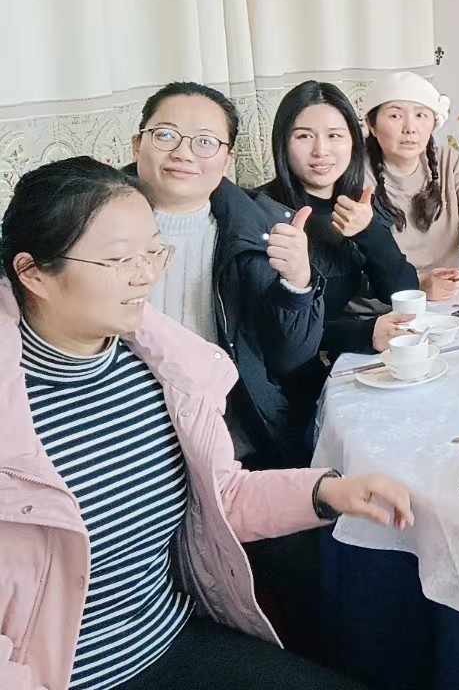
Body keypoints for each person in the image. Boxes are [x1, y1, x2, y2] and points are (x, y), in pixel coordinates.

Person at [0, 156, 413, 690]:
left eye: (153, 252)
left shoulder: (163, 371)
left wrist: (327, 491)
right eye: (119, 260)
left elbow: (221, 498)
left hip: (167, 643)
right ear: (34, 272)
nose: (146, 276)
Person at [130, 82, 325, 469]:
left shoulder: (262, 230)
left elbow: (291, 361)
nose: (183, 152)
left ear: (227, 159)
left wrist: (298, 283)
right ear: (137, 145)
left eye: (205, 142)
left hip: (234, 442)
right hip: (128, 437)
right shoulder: (89, 225)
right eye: (166, 135)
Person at [258, 81, 419, 359]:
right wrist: (363, 333)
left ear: (353, 142)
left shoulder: (359, 203)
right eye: (304, 136)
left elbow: (404, 292)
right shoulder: (260, 211)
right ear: (282, 143)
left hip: (339, 360)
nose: (321, 150)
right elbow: (268, 329)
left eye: (334, 135)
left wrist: (368, 230)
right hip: (289, 374)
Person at [363, 71, 459, 300]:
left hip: (446, 301)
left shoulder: (447, 161)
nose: (410, 128)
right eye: (395, 116)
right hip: (381, 307)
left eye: (421, 115)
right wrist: (417, 284)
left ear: (433, 123)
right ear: (372, 125)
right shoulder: (355, 172)